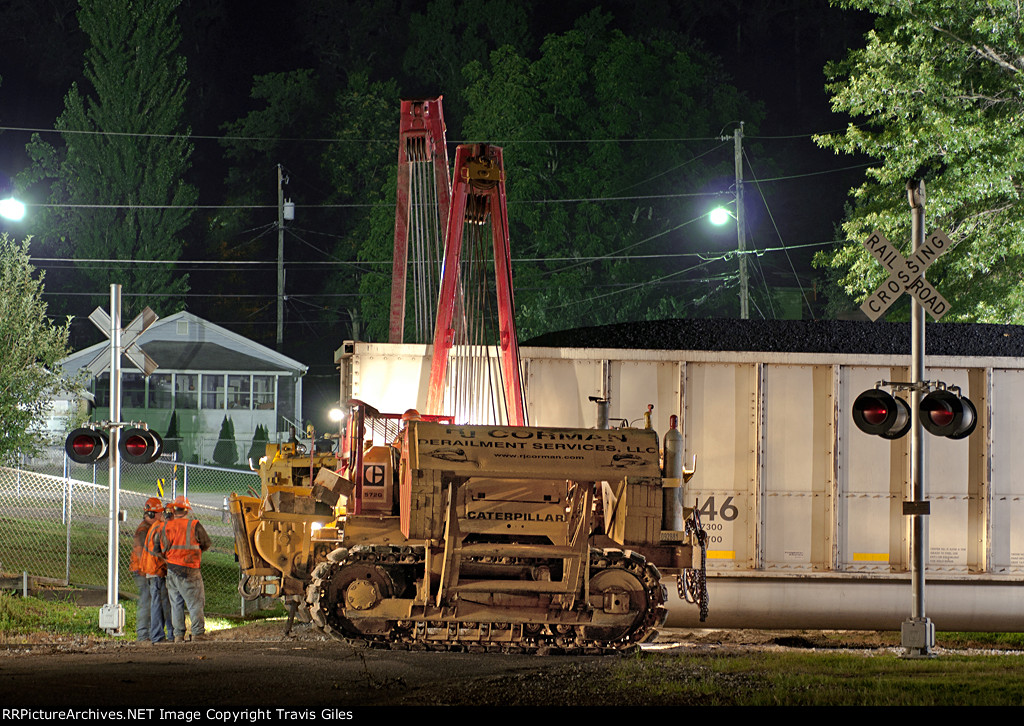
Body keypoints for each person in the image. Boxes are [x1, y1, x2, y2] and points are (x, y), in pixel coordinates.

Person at [158, 495, 212, 642]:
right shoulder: (194, 525)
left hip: (172, 570)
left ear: (174, 510)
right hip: (189, 570)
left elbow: (162, 547)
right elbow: (206, 543)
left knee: (176, 604)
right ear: (187, 510)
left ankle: (178, 636)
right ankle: (197, 634)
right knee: (195, 603)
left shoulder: (166, 526)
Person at [130, 498, 162, 643]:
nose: (161, 516)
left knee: (151, 601)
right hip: (142, 571)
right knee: (146, 601)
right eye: (158, 513)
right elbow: (144, 553)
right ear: (151, 513)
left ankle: (148, 633)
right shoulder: (144, 530)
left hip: (145, 570)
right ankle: (143, 634)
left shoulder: (148, 528)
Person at [141, 503, 173, 643]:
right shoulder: (161, 527)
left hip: (151, 570)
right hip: (157, 570)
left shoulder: (155, 527)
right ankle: (160, 636)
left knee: (157, 603)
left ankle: (158, 635)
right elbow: (162, 551)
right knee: (163, 604)